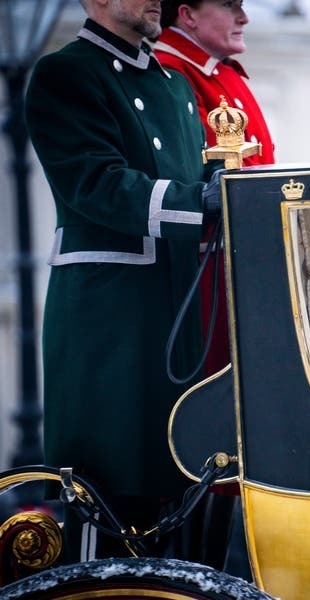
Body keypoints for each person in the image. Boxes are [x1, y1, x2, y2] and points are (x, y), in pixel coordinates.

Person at [24, 0, 222, 563]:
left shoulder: (176, 87)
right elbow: (97, 183)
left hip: (174, 311)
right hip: (109, 324)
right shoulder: (67, 73)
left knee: (173, 487)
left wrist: (226, 188)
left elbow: (193, 178)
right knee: (103, 492)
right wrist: (198, 201)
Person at [155, 0, 276, 376]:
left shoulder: (214, 71)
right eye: (229, 5)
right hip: (207, 261)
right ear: (188, 14)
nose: (244, 17)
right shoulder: (170, 70)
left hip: (239, 254)